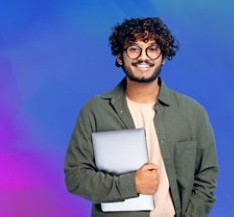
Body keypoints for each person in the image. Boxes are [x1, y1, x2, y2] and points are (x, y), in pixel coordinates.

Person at [64, 17, 218, 217]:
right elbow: (76, 177)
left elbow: (206, 177)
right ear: (120, 57)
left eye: (152, 48)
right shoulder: (94, 111)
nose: (143, 57)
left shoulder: (193, 113)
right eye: (133, 48)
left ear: (163, 56)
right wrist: (131, 184)